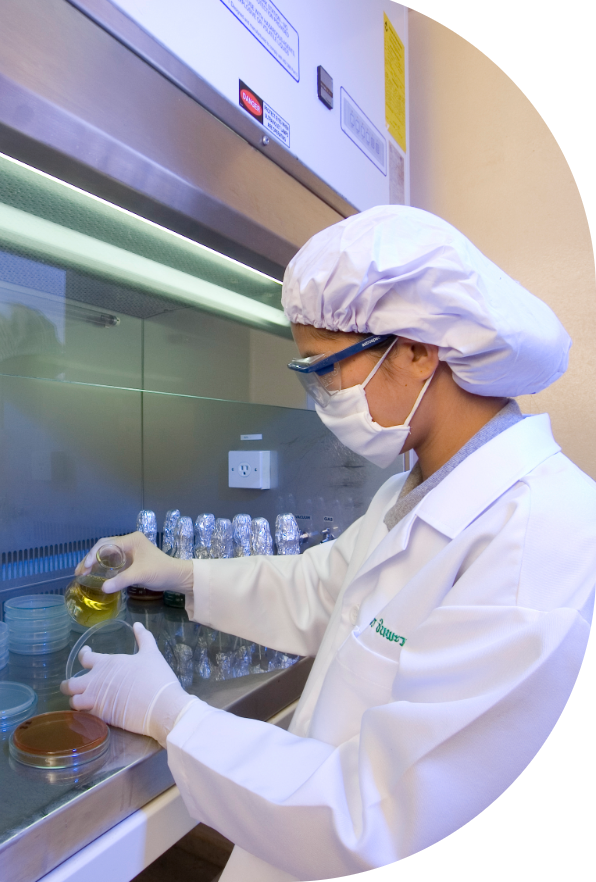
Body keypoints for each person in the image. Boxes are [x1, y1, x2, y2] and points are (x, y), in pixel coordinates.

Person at [60, 205, 596, 879]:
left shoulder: (539, 544)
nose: (319, 394)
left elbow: (376, 818)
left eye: (325, 367)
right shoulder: (414, 489)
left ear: (417, 351)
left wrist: (170, 714)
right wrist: (182, 573)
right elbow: (321, 588)